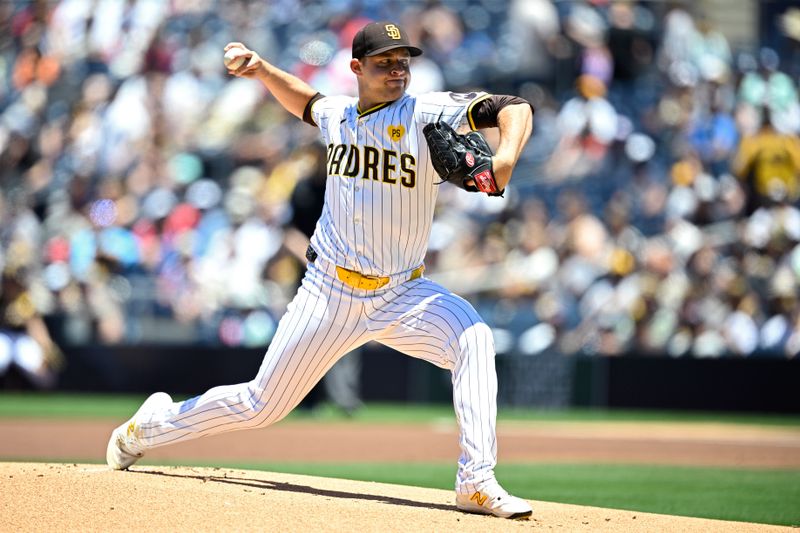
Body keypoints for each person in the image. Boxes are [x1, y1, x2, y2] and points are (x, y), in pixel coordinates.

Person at [107, 21, 534, 520]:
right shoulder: (337, 114)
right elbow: (308, 103)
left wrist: (503, 160)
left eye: (403, 61)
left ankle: (476, 481)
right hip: (328, 292)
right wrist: (264, 69)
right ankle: (149, 426)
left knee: (474, 339)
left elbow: (513, 107)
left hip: (401, 293)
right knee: (259, 406)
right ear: (357, 68)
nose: (397, 70)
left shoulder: (427, 110)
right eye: (384, 62)